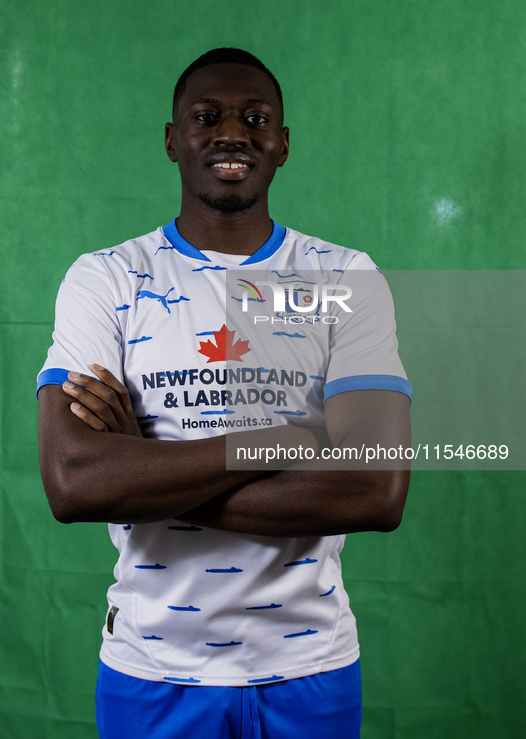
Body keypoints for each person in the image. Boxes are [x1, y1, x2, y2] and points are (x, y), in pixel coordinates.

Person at [37, 48, 412, 739]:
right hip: (152, 671)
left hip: (310, 669)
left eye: (255, 118)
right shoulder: (108, 279)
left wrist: (144, 463)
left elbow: (374, 488)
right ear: (173, 140)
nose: (232, 133)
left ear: (282, 144)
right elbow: (72, 483)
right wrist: (276, 443)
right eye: (206, 117)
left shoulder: (344, 276)